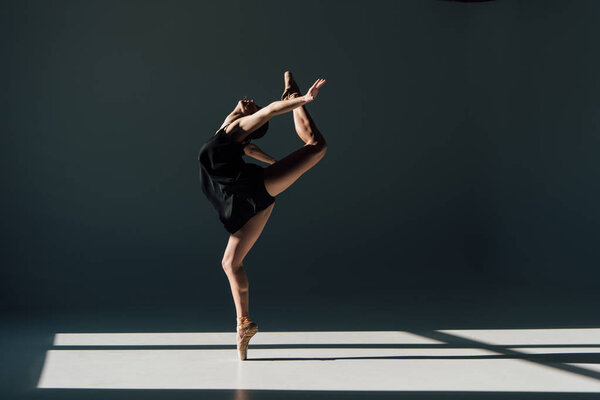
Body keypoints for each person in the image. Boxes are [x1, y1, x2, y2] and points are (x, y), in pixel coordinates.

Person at [197, 71, 327, 360]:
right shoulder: (228, 129)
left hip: (251, 188)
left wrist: (303, 99)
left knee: (317, 147)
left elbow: (269, 111)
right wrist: (279, 164)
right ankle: (244, 324)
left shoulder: (237, 128)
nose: (251, 101)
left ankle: (293, 98)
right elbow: (252, 149)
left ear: (251, 119)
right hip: (247, 199)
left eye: (252, 106)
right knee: (230, 263)